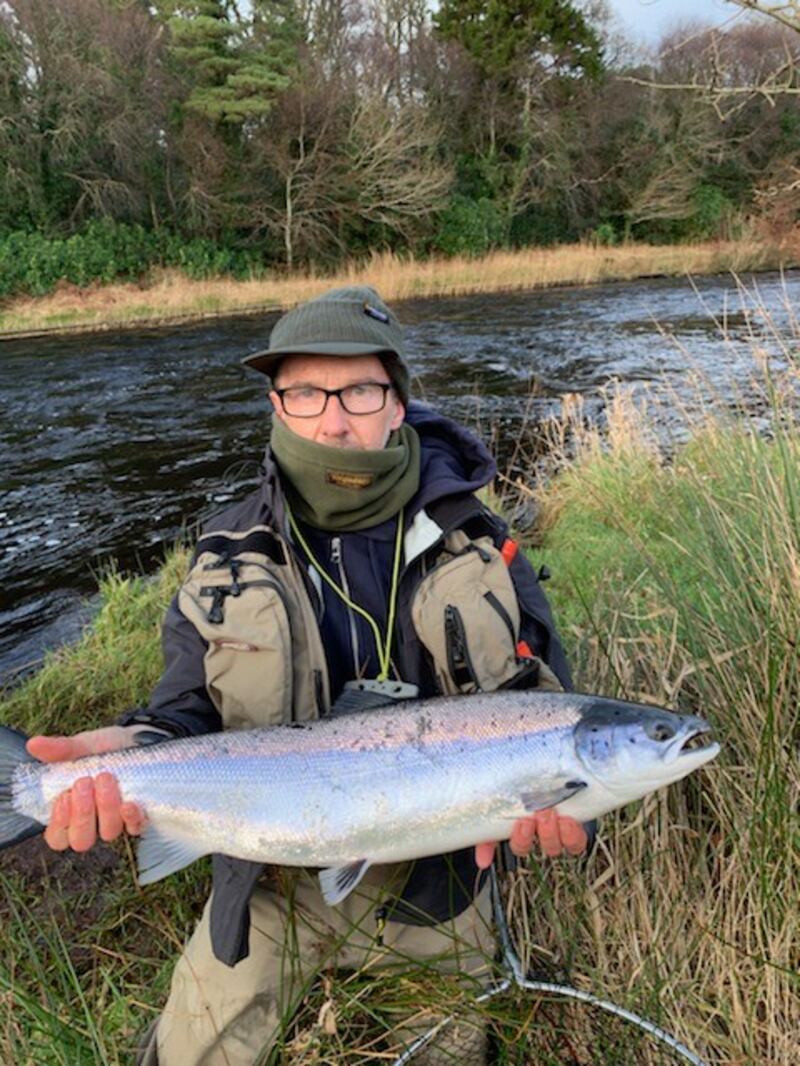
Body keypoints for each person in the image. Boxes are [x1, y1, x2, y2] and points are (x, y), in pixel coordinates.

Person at [28, 285, 589, 1065]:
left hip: (439, 888)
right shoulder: (223, 556)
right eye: (306, 392)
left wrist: (568, 813)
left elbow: (550, 715)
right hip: (264, 879)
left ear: (397, 402)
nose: (334, 418)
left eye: (360, 390)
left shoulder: (482, 546)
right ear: (275, 406)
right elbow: (182, 715)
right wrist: (128, 747)